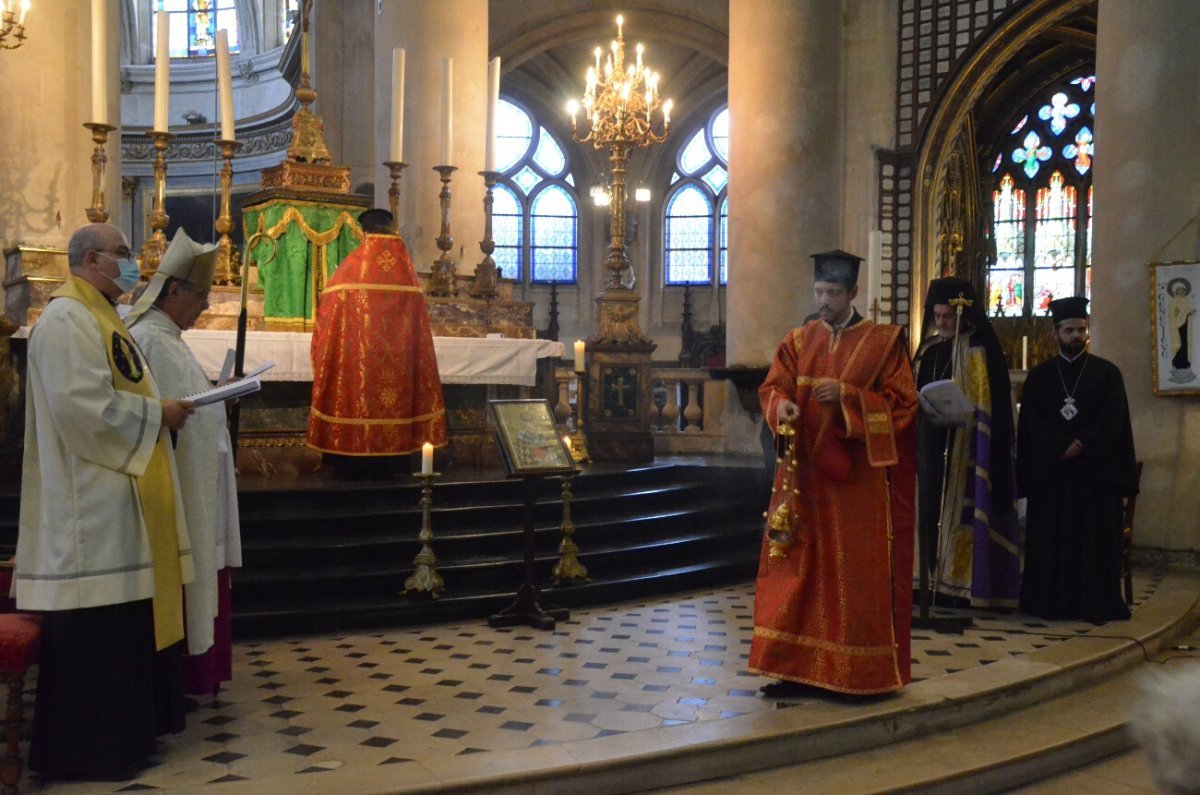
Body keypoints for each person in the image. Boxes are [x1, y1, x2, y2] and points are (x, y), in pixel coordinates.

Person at [15, 222, 196, 780]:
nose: (131, 262)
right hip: (87, 512)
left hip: (116, 500)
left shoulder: (101, 314)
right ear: (93, 259)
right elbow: (82, 409)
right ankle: (89, 752)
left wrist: (157, 410)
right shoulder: (68, 319)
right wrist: (156, 414)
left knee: (120, 635)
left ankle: (123, 742)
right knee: (97, 640)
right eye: (122, 253)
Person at [750, 250, 918, 697]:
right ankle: (794, 665)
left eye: (834, 293)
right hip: (803, 478)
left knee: (850, 573)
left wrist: (847, 397)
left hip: (855, 484)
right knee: (799, 569)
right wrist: (781, 406)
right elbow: (773, 386)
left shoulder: (884, 343)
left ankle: (852, 673)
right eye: (819, 291)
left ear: (853, 293)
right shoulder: (800, 340)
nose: (824, 301)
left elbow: (903, 405)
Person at [127, 229, 243, 700]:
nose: (204, 307)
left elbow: (187, 399)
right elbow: (165, 407)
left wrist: (222, 391)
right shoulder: (150, 339)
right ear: (173, 292)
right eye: (199, 297)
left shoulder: (168, 336)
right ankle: (186, 673)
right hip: (179, 480)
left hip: (197, 475)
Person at [1017, 296, 1137, 623]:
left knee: (1093, 544)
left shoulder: (1107, 374)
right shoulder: (1040, 378)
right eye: (1069, 330)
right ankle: (1050, 604)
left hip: (1093, 479)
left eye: (1081, 329)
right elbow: (1031, 424)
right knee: (1051, 544)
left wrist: (1081, 443)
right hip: (1053, 478)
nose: (1076, 336)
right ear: (1055, 332)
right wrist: (1060, 446)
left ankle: (1094, 604)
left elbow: (1113, 421)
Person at [308, 208, 447, 475]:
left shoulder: (349, 272)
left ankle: (352, 462)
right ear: (389, 230)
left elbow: (327, 318)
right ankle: (392, 463)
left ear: (364, 232)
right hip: (400, 367)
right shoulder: (408, 277)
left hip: (359, 367)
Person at [912, 277, 1019, 607]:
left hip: (967, 449)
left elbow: (990, 404)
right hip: (929, 445)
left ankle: (957, 584)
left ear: (962, 315)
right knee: (926, 507)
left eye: (948, 317)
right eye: (938, 316)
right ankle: (925, 579)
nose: (942, 323)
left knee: (962, 513)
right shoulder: (928, 351)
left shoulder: (978, 350)